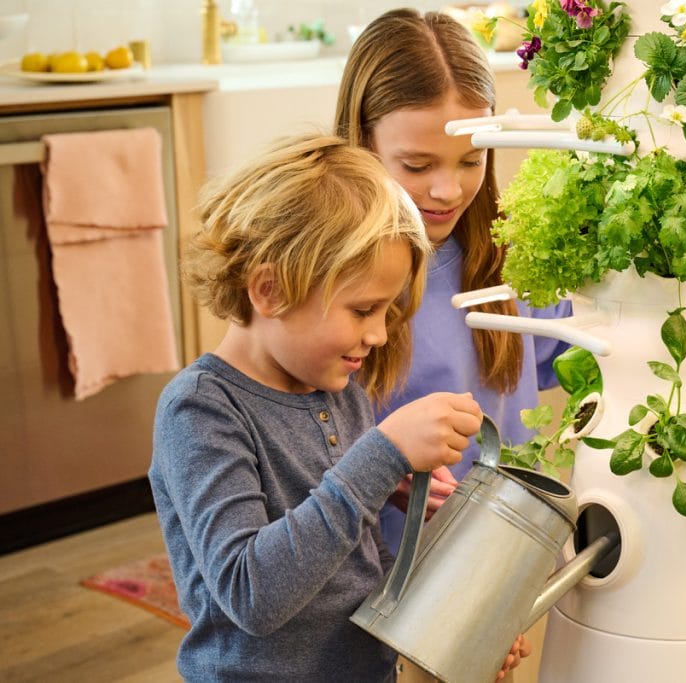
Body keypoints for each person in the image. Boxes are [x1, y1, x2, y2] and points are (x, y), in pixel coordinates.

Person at [148, 133, 486, 681]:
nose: (379, 335)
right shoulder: (202, 410)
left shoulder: (341, 394)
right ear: (270, 290)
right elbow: (251, 594)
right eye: (363, 310)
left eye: (386, 311)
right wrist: (380, 456)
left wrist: (453, 630)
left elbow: (360, 567)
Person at [336, 7, 572, 558]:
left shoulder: (515, 257)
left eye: (471, 160)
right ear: (363, 142)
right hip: (384, 573)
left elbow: (578, 351)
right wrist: (380, 471)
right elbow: (291, 440)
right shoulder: (330, 278)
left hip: (505, 556)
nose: (447, 191)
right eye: (417, 166)